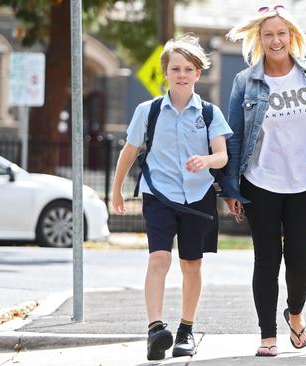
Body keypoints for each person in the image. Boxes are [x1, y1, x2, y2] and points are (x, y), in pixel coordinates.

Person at [225, 5, 306, 357]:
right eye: (268, 34)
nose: (276, 40)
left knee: (302, 256)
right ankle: (267, 334)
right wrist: (230, 188)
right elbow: (234, 136)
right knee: (267, 258)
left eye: (281, 33)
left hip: (305, 181)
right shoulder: (246, 81)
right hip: (260, 182)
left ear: (292, 37)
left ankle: (296, 312)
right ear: (259, 39)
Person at [111, 34, 232, 361]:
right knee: (158, 259)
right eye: (175, 68)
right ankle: (154, 330)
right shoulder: (148, 111)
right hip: (159, 196)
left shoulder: (209, 113)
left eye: (188, 68)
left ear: (197, 73)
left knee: (191, 264)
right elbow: (129, 151)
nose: (181, 74)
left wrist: (206, 160)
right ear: (165, 72)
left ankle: (185, 330)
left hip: (198, 197)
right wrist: (116, 188)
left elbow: (221, 155)